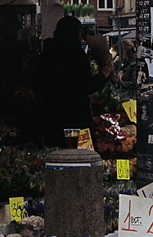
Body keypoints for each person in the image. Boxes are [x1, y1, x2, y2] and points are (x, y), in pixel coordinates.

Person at [37, 15, 116, 147]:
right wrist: (104, 74)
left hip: (50, 116)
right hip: (75, 118)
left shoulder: (46, 53)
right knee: (77, 156)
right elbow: (85, 86)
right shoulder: (76, 55)